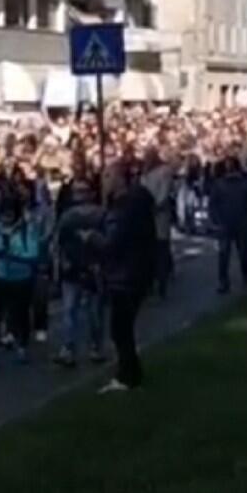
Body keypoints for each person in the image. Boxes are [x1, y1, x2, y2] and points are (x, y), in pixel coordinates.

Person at [87, 161, 156, 393]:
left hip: (126, 274)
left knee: (120, 328)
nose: (103, 180)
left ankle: (128, 376)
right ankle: (130, 373)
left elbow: (113, 242)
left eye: (107, 176)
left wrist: (92, 238)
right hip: (135, 270)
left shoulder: (123, 208)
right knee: (122, 327)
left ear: (119, 179)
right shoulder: (136, 202)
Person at [0, 193, 40, 368]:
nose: (6, 219)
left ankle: (22, 346)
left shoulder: (27, 229)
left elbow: (33, 253)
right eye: (3, 215)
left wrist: (13, 255)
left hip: (22, 278)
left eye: (10, 215)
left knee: (21, 313)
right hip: (1, 276)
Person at [52, 178, 106, 368]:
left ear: (91, 193)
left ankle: (95, 347)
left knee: (93, 312)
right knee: (69, 310)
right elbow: (59, 242)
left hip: (93, 267)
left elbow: (108, 241)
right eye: (77, 192)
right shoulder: (67, 216)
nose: (80, 195)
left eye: (84, 191)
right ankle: (69, 348)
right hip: (72, 268)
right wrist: (60, 264)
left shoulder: (100, 215)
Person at [209, 156, 247, 294]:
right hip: (232, 223)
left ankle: (228, 281)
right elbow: (213, 205)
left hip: (232, 223)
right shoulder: (243, 183)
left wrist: (216, 220)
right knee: (235, 253)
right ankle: (234, 279)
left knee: (231, 253)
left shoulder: (222, 184)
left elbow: (213, 205)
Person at [141, 149, 176, 299]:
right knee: (149, 250)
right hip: (147, 216)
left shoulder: (164, 171)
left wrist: (156, 206)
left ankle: (162, 282)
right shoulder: (145, 174)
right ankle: (151, 281)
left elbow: (165, 192)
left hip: (160, 215)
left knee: (161, 247)